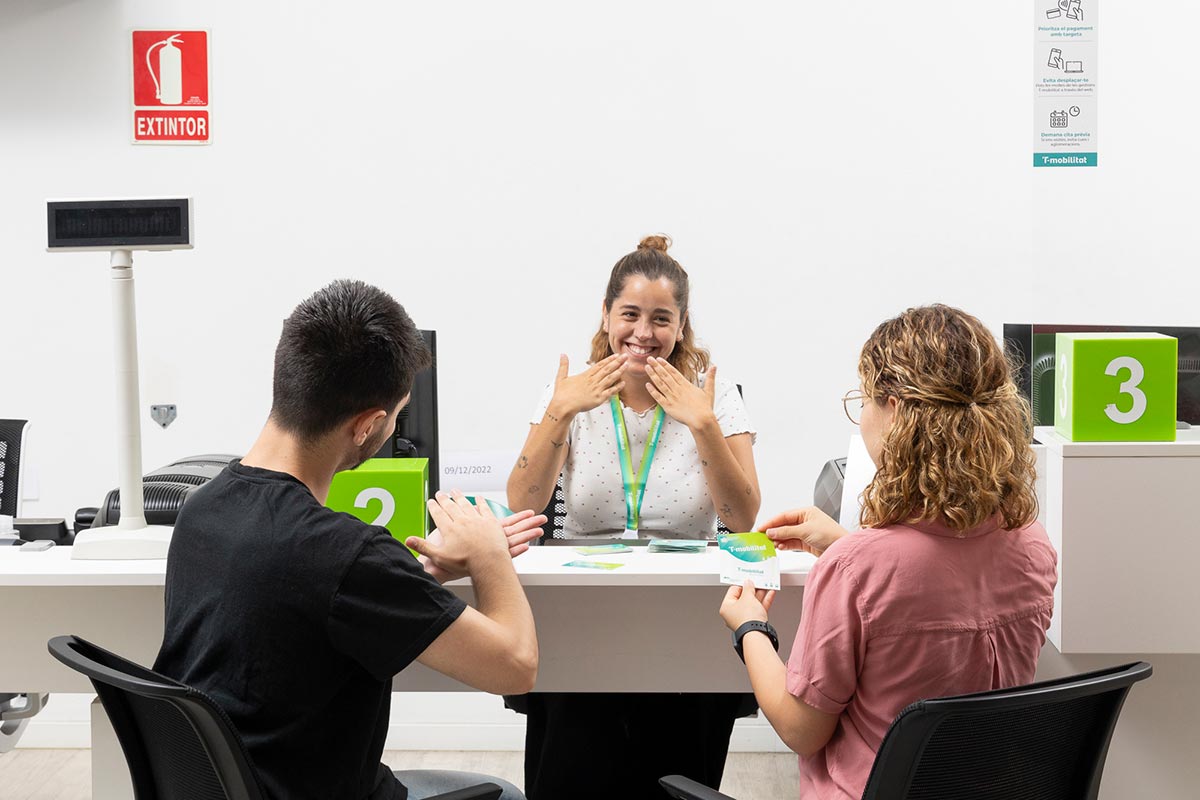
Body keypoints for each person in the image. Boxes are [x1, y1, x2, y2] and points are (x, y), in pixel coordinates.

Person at [154, 280, 543, 800]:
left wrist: (409, 578)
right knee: (507, 795)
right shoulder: (348, 555)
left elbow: (295, 600)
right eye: (397, 415)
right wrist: (490, 552)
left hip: (230, 786)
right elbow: (515, 667)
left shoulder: (203, 509)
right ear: (368, 426)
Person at [718, 304, 1058, 800]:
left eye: (864, 401)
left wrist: (751, 628)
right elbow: (944, 582)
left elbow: (801, 730)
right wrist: (844, 545)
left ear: (896, 409)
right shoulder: (1032, 542)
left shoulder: (858, 570)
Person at [506, 235, 760, 799]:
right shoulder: (568, 393)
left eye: (661, 318)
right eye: (630, 314)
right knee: (572, 774)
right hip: (583, 610)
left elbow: (742, 517)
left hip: (683, 611)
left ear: (681, 324)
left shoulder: (712, 398)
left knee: (675, 779)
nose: (643, 333)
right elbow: (523, 502)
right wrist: (561, 411)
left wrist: (703, 425)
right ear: (606, 314)